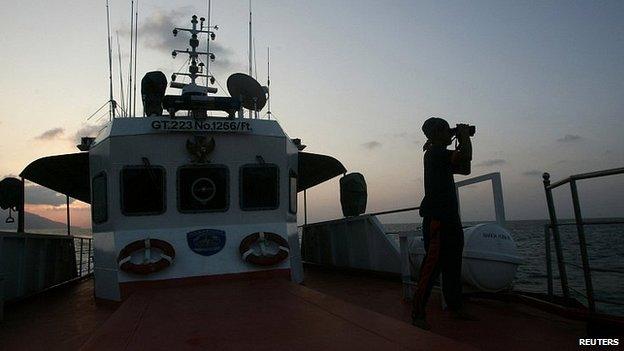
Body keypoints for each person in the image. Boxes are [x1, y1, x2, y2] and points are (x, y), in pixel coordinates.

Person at [412, 117, 476, 330]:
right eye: (445, 129)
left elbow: (465, 168)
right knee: (431, 267)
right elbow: (465, 155)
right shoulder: (435, 153)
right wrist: (464, 136)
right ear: (436, 133)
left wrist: (461, 139)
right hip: (438, 220)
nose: (449, 133)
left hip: (449, 219)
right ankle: (418, 311)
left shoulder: (439, 155)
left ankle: (455, 306)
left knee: (452, 265)